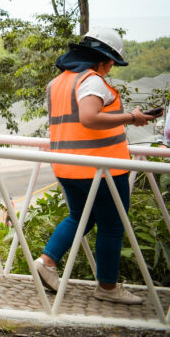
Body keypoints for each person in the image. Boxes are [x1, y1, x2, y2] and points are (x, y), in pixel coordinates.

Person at [31, 28, 157, 305]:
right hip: (101, 169)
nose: (111, 68)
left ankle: (46, 262)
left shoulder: (59, 82)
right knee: (112, 227)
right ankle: (108, 287)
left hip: (68, 165)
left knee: (80, 217)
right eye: (112, 62)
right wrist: (132, 118)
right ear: (102, 59)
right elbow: (88, 117)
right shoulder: (92, 81)